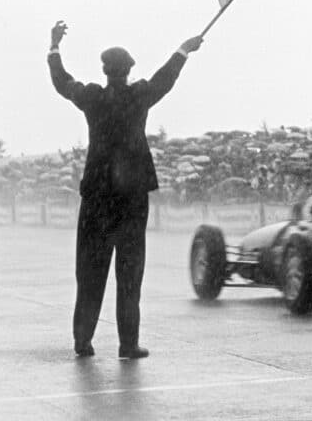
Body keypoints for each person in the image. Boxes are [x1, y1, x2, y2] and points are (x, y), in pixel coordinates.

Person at [47, 20, 203, 360]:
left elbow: (62, 83)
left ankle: (83, 340)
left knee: (90, 271)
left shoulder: (92, 98)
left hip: (97, 199)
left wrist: (54, 46)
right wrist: (183, 49)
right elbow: (165, 79)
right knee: (130, 273)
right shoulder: (139, 96)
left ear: (105, 72)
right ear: (129, 71)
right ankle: (127, 344)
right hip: (132, 198)